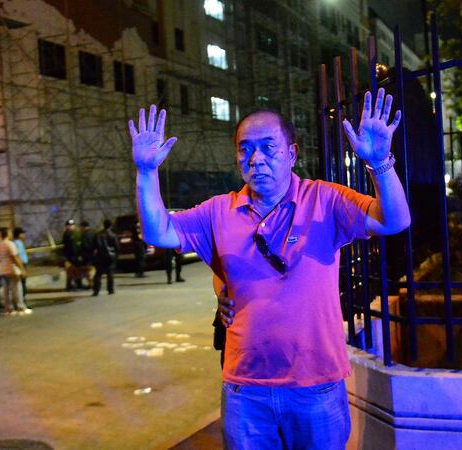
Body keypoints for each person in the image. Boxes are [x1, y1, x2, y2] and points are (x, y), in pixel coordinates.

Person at [129, 88, 410, 449]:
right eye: (245, 148)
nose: (256, 158)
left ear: (292, 154)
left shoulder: (324, 199)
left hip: (317, 386)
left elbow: (394, 220)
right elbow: (158, 232)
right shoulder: (218, 211)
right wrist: (146, 172)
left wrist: (381, 161)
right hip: (246, 391)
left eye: (268, 147)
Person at [0, 227, 31, 316]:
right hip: (12, 269)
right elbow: (15, 257)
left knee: (6, 290)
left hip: (2, 269)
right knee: (17, 288)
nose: (11, 234)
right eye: (9, 232)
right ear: (7, 234)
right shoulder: (10, 244)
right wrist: (22, 269)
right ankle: (20, 307)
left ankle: (8, 309)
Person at [92, 219, 119, 296]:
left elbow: (94, 246)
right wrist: (115, 254)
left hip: (100, 256)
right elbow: (117, 247)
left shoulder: (98, 234)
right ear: (110, 226)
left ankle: (96, 290)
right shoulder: (113, 235)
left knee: (98, 273)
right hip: (110, 256)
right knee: (110, 273)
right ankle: (110, 289)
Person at [62, 219, 83, 291]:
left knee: (78, 270)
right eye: (69, 225)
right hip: (69, 256)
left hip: (77, 255)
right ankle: (69, 285)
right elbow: (66, 246)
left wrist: (80, 254)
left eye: (72, 225)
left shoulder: (77, 234)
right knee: (70, 271)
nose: (70, 227)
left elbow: (79, 244)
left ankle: (79, 284)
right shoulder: (66, 234)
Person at [13, 227, 29, 305]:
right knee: (22, 284)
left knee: (23, 283)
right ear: (19, 235)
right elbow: (17, 255)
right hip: (21, 264)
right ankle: (22, 302)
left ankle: (22, 301)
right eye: (22, 233)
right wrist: (21, 267)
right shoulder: (17, 243)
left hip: (23, 264)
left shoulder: (20, 242)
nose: (24, 235)